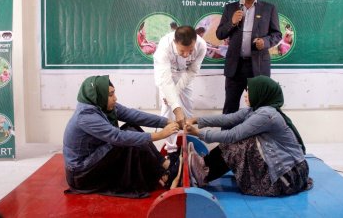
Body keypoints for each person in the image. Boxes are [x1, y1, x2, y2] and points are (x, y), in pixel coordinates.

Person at [185, 75, 312, 197]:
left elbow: (233, 135)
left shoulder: (267, 115)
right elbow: (228, 119)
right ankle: (203, 166)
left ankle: (204, 171)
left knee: (240, 143)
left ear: (261, 92)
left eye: (249, 91)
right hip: (285, 171)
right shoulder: (256, 109)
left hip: (287, 177)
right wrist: (196, 120)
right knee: (241, 141)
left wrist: (198, 133)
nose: (245, 94)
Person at [63, 75, 181, 198]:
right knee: (128, 138)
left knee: (132, 127)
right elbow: (117, 137)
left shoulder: (101, 104)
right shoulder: (86, 116)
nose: (115, 98)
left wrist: (167, 122)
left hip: (93, 159)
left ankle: (166, 165)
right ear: (98, 95)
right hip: (81, 175)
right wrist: (161, 135)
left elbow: (133, 115)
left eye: (114, 93)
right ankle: (165, 175)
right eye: (110, 95)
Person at [216, 0, 282, 114]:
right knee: (230, 107)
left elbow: (277, 35)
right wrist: (232, 22)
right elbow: (220, 34)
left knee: (260, 108)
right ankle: (226, 136)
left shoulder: (269, 9)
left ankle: (256, 137)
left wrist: (265, 42)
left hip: (258, 66)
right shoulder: (230, 8)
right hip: (235, 67)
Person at [153, 25, 207, 156]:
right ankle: (171, 150)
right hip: (167, 73)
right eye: (182, 51)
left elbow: (192, 71)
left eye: (190, 50)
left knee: (187, 108)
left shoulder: (201, 45)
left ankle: (186, 141)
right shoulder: (164, 47)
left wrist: (175, 95)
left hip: (185, 74)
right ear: (174, 42)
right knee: (167, 111)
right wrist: (175, 107)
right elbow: (166, 80)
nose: (186, 54)